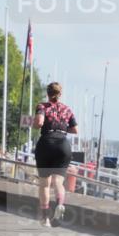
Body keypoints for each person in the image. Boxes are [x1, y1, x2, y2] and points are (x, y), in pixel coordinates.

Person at [33, 83, 78, 226]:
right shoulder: (67, 109)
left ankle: (45, 218)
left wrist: (35, 124)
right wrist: (62, 128)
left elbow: (39, 122)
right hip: (63, 145)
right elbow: (75, 130)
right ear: (60, 94)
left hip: (46, 144)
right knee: (58, 182)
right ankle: (60, 204)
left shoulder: (42, 106)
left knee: (44, 184)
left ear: (47, 93)